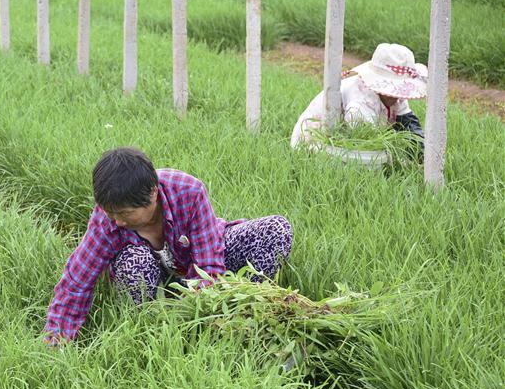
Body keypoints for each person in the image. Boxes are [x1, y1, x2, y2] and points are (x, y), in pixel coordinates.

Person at [43, 147, 293, 345]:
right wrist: (56, 339)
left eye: (126, 213)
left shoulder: (188, 191)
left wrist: (203, 314)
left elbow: (209, 265)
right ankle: (152, 327)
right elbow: (78, 278)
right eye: (111, 213)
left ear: (152, 194)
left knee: (276, 230)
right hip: (150, 277)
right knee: (134, 264)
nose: (117, 221)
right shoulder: (108, 217)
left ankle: (244, 314)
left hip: (194, 264)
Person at [290, 43, 427, 166]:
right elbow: (366, 141)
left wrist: (423, 153)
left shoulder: (396, 96)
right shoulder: (360, 101)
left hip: (346, 142)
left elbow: (409, 125)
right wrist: (392, 157)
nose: (398, 96)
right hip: (318, 142)